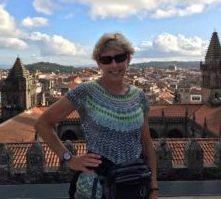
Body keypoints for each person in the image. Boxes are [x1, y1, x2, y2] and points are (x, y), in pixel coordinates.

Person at [34, 32, 158, 199]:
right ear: (99, 63)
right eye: (106, 60)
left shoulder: (139, 96)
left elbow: (146, 141)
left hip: (133, 184)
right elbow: (42, 124)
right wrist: (69, 158)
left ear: (128, 59)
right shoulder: (85, 92)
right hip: (95, 187)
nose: (114, 65)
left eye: (119, 57)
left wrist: (153, 188)